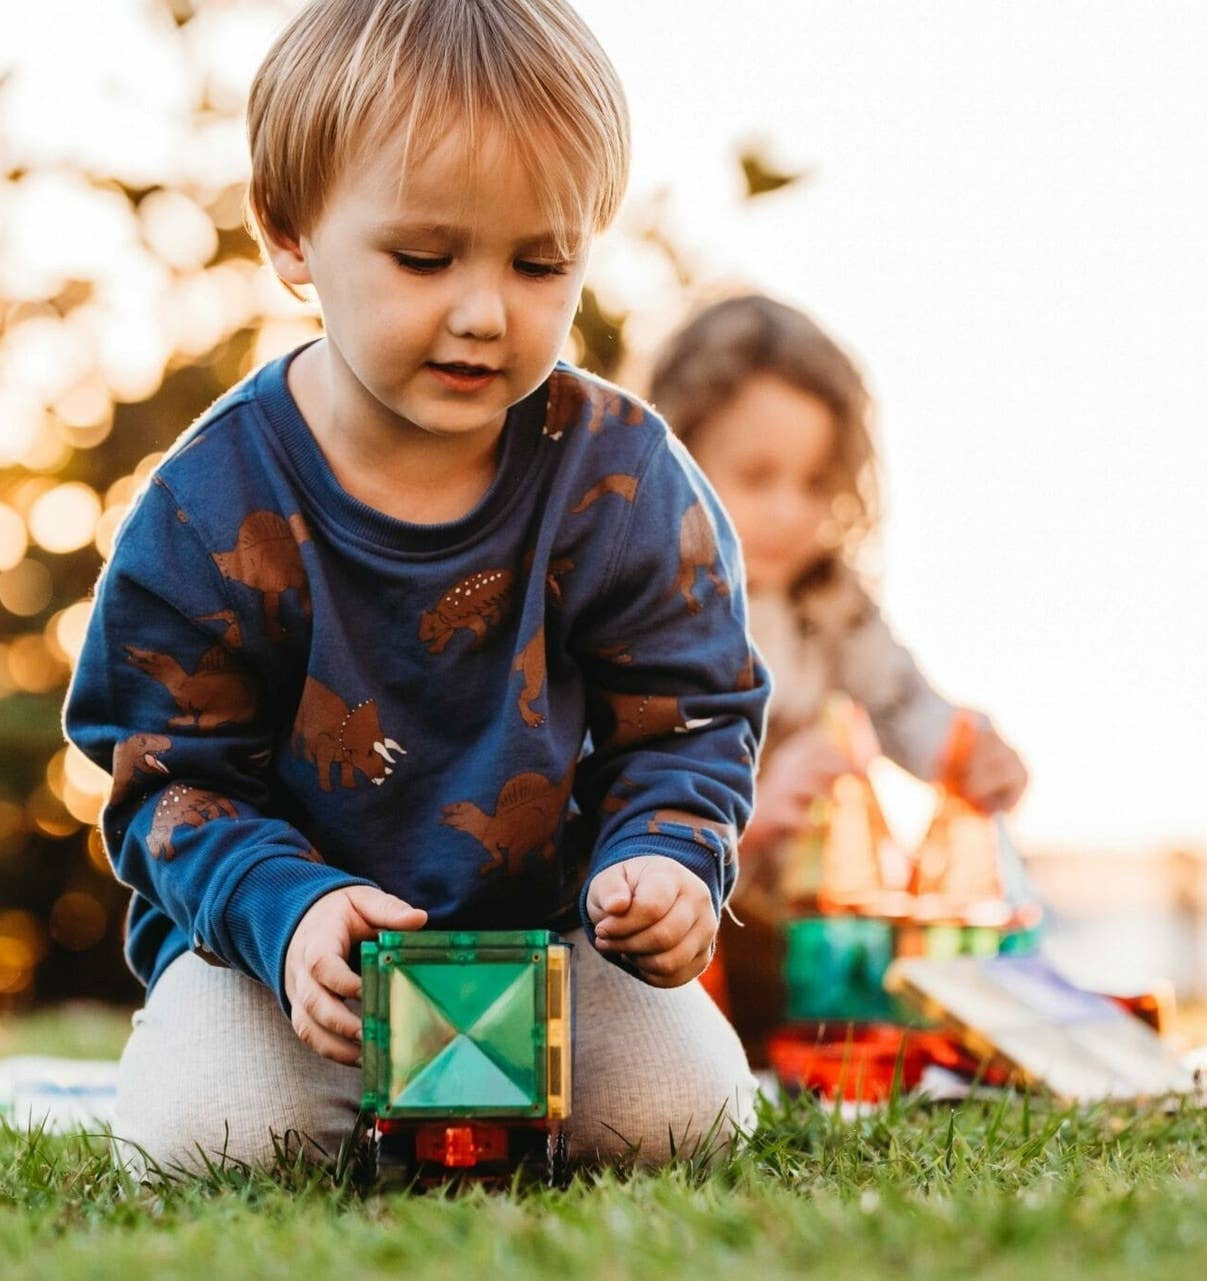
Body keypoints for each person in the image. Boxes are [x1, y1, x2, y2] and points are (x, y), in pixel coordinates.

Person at [63, 0, 767, 1175]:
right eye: (424, 258)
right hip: (283, 967)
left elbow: (688, 718)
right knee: (199, 1140)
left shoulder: (624, 480)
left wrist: (665, 858)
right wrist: (285, 918)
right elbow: (164, 782)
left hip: (547, 951)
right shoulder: (207, 505)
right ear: (292, 237)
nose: (484, 312)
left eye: (541, 263)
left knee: (690, 1117)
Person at [647, 294, 1027, 1061]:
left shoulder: (827, 599)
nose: (791, 510)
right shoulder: (644, 596)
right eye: (757, 477)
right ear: (676, 457)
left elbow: (900, 701)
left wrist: (967, 749)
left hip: (800, 928)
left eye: (816, 481)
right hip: (676, 915)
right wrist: (742, 820)